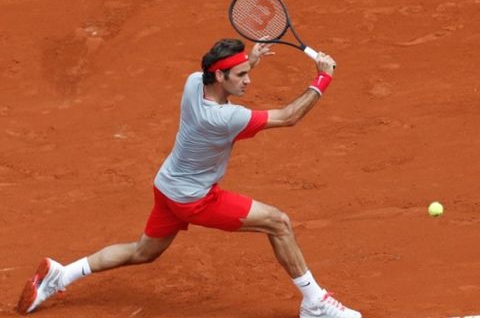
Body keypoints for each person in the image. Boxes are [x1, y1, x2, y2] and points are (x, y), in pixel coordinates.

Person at [17, 38, 361, 318]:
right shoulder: (225, 118)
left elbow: (222, 76)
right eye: (241, 75)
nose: (248, 80)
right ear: (221, 78)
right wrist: (322, 78)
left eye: (246, 72)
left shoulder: (194, 82)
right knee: (279, 223)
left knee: (143, 252)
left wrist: (250, 58)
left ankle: (63, 274)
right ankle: (314, 302)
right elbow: (288, 116)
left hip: (167, 186)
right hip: (195, 200)